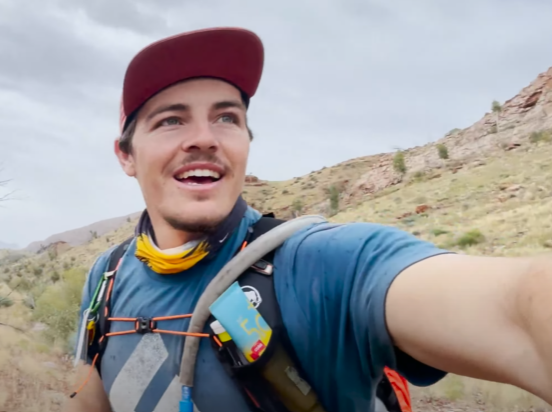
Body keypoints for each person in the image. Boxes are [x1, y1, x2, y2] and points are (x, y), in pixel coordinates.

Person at [63, 27, 552, 412]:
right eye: (170, 119)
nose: (205, 138)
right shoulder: (107, 276)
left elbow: (519, 309)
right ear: (126, 156)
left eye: (227, 117)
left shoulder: (318, 265)